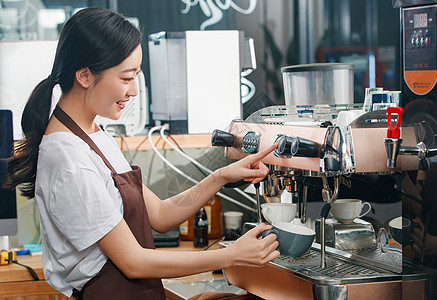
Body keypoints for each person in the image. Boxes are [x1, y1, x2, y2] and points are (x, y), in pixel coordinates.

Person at [5, 7, 279, 300]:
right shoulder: (68, 159)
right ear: (84, 75)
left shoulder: (93, 133)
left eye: (137, 76)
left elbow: (160, 215)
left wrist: (221, 176)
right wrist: (231, 256)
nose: (134, 91)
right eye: (126, 78)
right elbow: (134, 262)